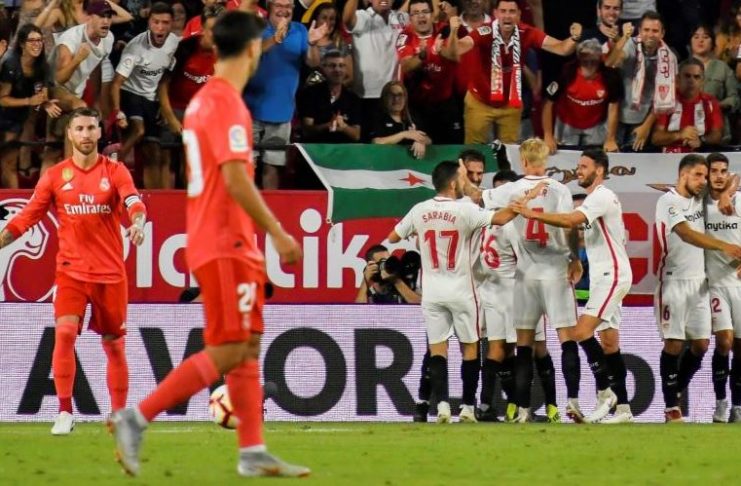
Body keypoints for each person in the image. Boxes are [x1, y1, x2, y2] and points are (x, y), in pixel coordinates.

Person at [110, 11, 308, 477]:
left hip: (227, 237)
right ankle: (137, 417)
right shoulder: (226, 104)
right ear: (255, 49)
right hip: (223, 239)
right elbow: (235, 179)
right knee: (230, 348)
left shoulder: (203, 102)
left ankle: (252, 450)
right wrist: (278, 233)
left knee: (249, 342)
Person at [0, 107, 147, 435]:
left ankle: (119, 415)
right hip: (71, 272)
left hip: (110, 274)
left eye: (91, 128)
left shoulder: (115, 171)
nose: (85, 134)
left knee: (114, 346)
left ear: (99, 132)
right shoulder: (55, 176)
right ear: (69, 133)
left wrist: (138, 223)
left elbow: (134, 203)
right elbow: (27, 217)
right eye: (79, 128)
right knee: (64, 334)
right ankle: (65, 412)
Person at [388, 160, 521, 424]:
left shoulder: (419, 209)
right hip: (462, 290)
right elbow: (501, 217)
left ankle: (442, 407)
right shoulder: (465, 210)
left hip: (432, 292)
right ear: (452, 184)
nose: (464, 182)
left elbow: (393, 237)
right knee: (469, 349)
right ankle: (468, 407)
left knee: (437, 350)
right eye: (461, 178)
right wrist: (520, 203)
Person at [463, 138, 583, 424]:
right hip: (556, 271)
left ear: (523, 161)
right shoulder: (560, 190)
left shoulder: (511, 190)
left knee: (524, 346)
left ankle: (524, 410)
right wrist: (574, 258)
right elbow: (570, 225)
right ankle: (572, 401)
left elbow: (475, 195)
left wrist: (461, 174)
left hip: (525, 275)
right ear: (546, 160)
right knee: (566, 339)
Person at [512, 149, 634, 423]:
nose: (578, 170)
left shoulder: (601, 196)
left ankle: (606, 393)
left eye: (584, 166)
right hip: (605, 276)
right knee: (610, 343)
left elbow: (569, 220)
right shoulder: (595, 198)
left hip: (613, 275)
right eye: (578, 166)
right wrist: (573, 259)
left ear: (599, 170)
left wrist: (531, 214)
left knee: (580, 332)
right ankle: (624, 410)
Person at [654, 153, 741, 423]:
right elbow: (686, 233)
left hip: (701, 283)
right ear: (683, 175)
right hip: (674, 281)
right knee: (674, 343)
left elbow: (733, 178)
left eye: (705, 175)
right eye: (699, 175)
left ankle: (677, 389)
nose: (704, 180)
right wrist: (724, 246)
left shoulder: (699, 197)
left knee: (702, 344)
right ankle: (671, 407)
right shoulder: (668, 201)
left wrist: (725, 193)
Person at [452, 0, 583, 144]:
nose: (507, 16)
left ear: (519, 15)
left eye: (512, 11)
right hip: (480, 101)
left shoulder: (528, 32)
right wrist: (453, 33)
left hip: (510, 103)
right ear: (495, 14)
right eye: (503, 11)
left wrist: (574, 38)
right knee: (474, 150)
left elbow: (562, 48)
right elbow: (458, 48)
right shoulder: (484, 32)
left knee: (510, 151)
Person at [243, 0, 325, 189]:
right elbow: (250, 54)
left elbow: (313, 63)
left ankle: (270, 207)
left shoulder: (300, 30)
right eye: (279, 5)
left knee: (273, 167)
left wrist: (312, 44)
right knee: (247, 166)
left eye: (288, 6)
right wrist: (276, 38)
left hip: (282, 112)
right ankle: (244, 207)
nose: (284, 10)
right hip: (249, 111)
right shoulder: (255, 28)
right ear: (269, 7)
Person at [111, 1, 179, 188]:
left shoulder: (175, 44)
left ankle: (157, 198)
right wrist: (117, 111)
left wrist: (164, 105)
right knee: (138, 131)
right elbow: (116, 83)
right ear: (149, 22)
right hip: (130, 93)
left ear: (172, 24)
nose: (160, 27)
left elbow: (167, 77)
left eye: (165, 23)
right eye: (156, 22)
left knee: (154, 153)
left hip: (152, 99)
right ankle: (110, 166)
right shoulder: (135, 48)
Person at [0, 23, 62, 189]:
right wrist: (30, 101)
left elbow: (41, 96)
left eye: (39, 40)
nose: (37, 44)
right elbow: (2, 99)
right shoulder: (10, 64)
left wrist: (45, 104)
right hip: (3, 115)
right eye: (32, 40)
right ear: (22, 44)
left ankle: (14, 201)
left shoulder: (43, 66)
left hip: (16, 120)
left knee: (9, 163)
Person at [704, 153, 741, 423]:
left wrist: (729, 192)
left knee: (739, 346)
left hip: (739, 283)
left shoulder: (740, 200)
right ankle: (720, 402)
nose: (719, 176)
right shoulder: (699, 202)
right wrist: (725, 193)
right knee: (724, 341)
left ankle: (737, 406)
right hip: (715, 283)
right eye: (714, 171)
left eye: (723, 171)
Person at [606, 11, 675, 152]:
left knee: (634, 160)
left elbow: (662, 98)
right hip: (616, 118)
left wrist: (646, 126)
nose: (650, 34)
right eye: (646, 30)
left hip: (642, 121)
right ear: (639, 31)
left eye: (655, 31)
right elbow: (610, 63)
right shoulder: (630, 45)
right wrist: (624, 38)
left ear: (662, 33)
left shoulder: (669, 59)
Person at [396, 0, 462, 144]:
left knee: (451, 147)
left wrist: (443, 46)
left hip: (445, 103)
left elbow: (454, 56)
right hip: (417, 106)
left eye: (425, 12)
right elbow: (406, 66)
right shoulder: (405, 36)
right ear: (410, 18)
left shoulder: (444, 30)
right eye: (416, 13)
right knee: (420, 147)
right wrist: (422, 55)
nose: (421, 16)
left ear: (432, 15)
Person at [542, 39, 623, 154]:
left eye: (593, 62)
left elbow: (613, 108)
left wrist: (610, 139)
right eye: (585, 62)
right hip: (566, 124)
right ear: (579, 60)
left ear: (600, 60)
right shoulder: (566, 73)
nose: (589, 66)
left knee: (594, 157)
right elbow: (548, 103)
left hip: (596, 125)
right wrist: (548, 135)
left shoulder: (610, 77)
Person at [652, 58, 723, 153]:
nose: (691, 80)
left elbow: (717, 135)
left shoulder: (710, 102)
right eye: (687, 76)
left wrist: (701, 140)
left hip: (700, 156)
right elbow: (656, 138)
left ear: (702, 81)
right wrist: (680, 135)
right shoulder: (667, 100)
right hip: (670, 156)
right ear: (678, 78)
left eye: (696, 77)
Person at [688, 24, 739, 144]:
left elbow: (734, 98)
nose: (700, 40)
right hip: (688, 130)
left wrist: (716, 106)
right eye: (696, 37)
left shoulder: (722, 68)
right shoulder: (681, 68)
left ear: (712, 42)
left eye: (705, 37)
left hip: (718, 132)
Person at [298, 49, 361, 143]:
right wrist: (327, 125)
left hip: (344, 148)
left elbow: (356, 135)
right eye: (332, 66)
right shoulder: (310, 94)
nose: (337, 70)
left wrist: (344, 127)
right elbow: (306, 131)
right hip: (317, 147)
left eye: (341, 66)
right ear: (323, 69)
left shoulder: (353, 98)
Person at [368, 81, 431, 159]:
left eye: (400, 95)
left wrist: (420, 142)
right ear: (385, 98)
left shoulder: (412, 118)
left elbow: (429, 139)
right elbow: (376, 142)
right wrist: (404, 134)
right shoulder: (378, 117)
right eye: (392, 95)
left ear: (405, 98)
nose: (396, 99)